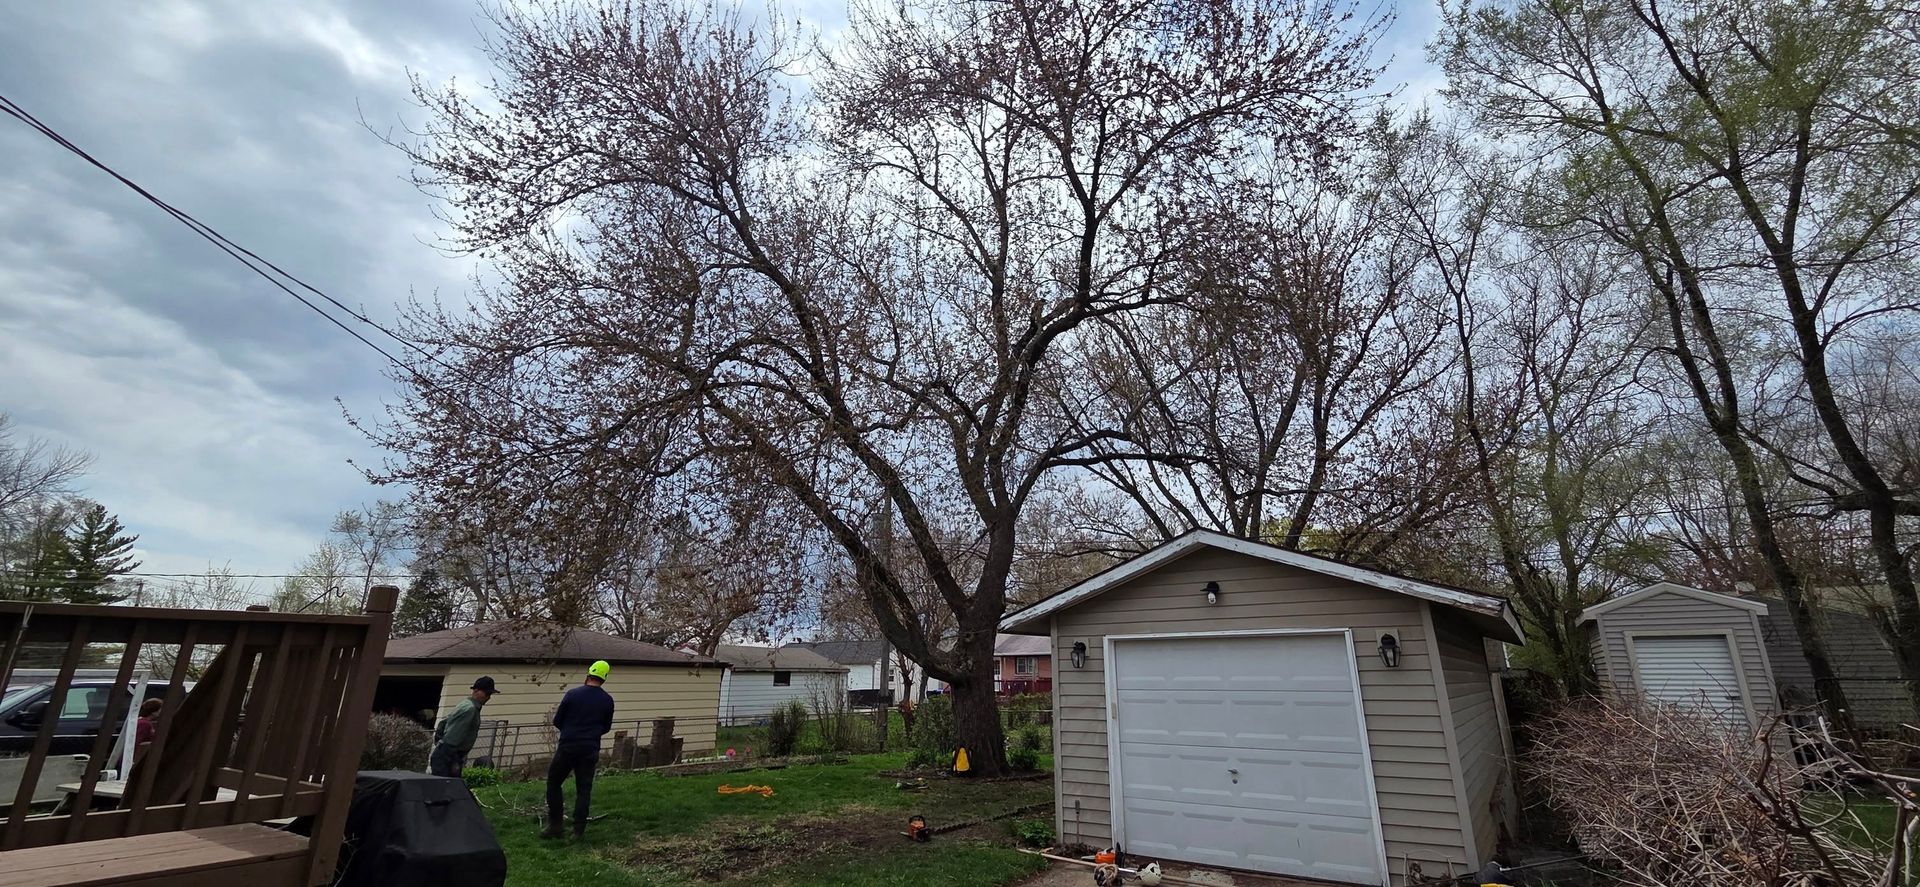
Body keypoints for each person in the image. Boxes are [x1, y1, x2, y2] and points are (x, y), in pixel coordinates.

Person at [544, 660, 614, 839]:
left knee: (554, 783)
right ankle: (578, 830)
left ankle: (555, 825)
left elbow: (557, 720)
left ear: (588, 674)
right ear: (604, 678)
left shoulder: (572, 694)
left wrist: (570, 730)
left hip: (568, 745)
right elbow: (606, 727)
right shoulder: (607, 700)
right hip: (590, 748)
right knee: (584, 789)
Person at [430, 676, 497, 778]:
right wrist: (453, 759)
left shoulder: (465, 704)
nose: (488, 697)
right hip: (449, 755)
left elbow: (442, 724)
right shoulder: (470, 709)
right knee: (447, 789)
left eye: (490, 694)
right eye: (486, 693)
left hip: (445, 752)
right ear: (476, 690)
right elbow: (452, 738)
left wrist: (439, 743)